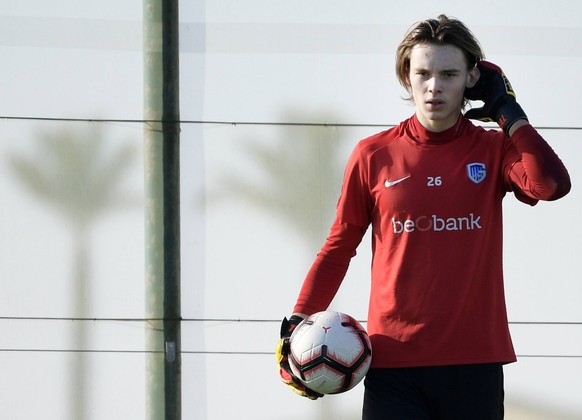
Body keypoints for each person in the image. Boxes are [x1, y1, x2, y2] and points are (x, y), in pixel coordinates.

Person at [275, 14, 571, 419]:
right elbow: (339, 247)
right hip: (393, 364)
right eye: (424, 73)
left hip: (475, 362)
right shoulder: (373, 154)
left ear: (471, 79)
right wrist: (298, 322)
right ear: (406, 78)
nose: (434, 86)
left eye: (449, 73)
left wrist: (507, 110)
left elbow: (550, 185)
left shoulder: (492, 149)